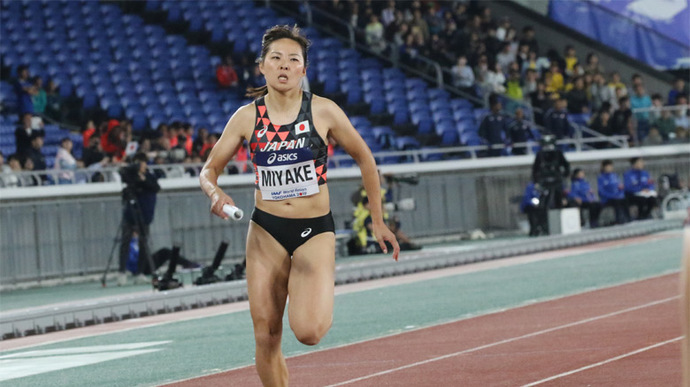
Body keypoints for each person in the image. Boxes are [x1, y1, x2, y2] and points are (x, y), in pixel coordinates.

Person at [198, 26, 399, 387]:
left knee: (308, 332)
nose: (284, 66)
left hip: (313, 230)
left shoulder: (323, 111)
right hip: (265, 231)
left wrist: (379, 221)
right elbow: (208, 170)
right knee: (266, 336)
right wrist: (215, 193)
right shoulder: (247, 117)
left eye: (294, 60)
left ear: (304, 69)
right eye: (276, 58)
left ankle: (314, 283)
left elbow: (366, 160)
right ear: (262, 66)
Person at [118, 152, 161, 285]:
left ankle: (140, 272)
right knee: (125, 241)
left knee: (143, 242)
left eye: (141, 163)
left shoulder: (149, 177)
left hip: (144, 215)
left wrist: (143, 180)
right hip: (130, 214)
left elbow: (156, 188)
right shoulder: (131, 178)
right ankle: (122, 272)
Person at [597, 159, 629, 224]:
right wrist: (612, 196)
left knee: (625, 200)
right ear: (604, 168)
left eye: (610, 166)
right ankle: (619, 219)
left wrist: (620, 194)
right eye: (607, 167)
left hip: (617, 197)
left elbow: (620, 187)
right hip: (607, 199)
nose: (609, 168)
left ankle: (628, 218)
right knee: (616, 202)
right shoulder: (601, 178)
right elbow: (601, 191)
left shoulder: (615, 176)